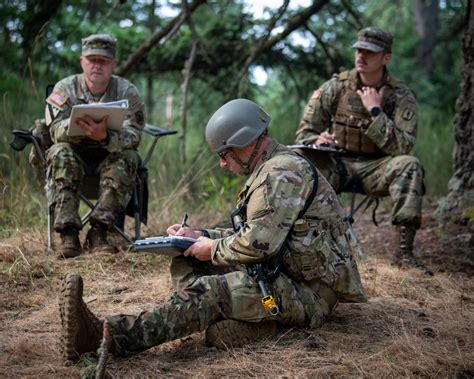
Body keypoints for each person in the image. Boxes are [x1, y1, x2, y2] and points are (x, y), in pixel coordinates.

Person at [59, 99, 367, 363]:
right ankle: (230, 318)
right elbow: (256, 231)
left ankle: (106, 338)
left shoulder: (280, 175)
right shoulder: (272, 167)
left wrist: (212, 248)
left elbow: (259, 244)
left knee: (211, 291)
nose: (222, 163)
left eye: (225, 154)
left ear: (245, 143)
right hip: (283, 273)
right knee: (187, 259)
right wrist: (199, 236)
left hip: (309, 294)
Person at [295, 27, 431, 274]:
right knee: (302, 161)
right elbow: (304, 133)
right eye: (358, 49)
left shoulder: (401, 95)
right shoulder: (336, 87)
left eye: (369, 51)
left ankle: (404, 254)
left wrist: (376, 111)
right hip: (338, 164)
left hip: (377, 168)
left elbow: (403, 146)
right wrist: (319, 138)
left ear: (385, 58)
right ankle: (304, 247)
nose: (361, 55)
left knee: (409, 164)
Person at [45, 34, 145, 258]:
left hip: (109, 160)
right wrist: (79, 130)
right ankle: (68, 235)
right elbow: (53, 130)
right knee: (58, 151)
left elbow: (134, 134)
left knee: (129, 156)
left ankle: (99, 231)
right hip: (74, 159)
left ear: (113, 64)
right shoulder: (64, 89)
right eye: (92, 60)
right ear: (82, 62)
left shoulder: (127, 92)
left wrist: (106, 137)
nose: (97, 65)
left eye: (103, 61)